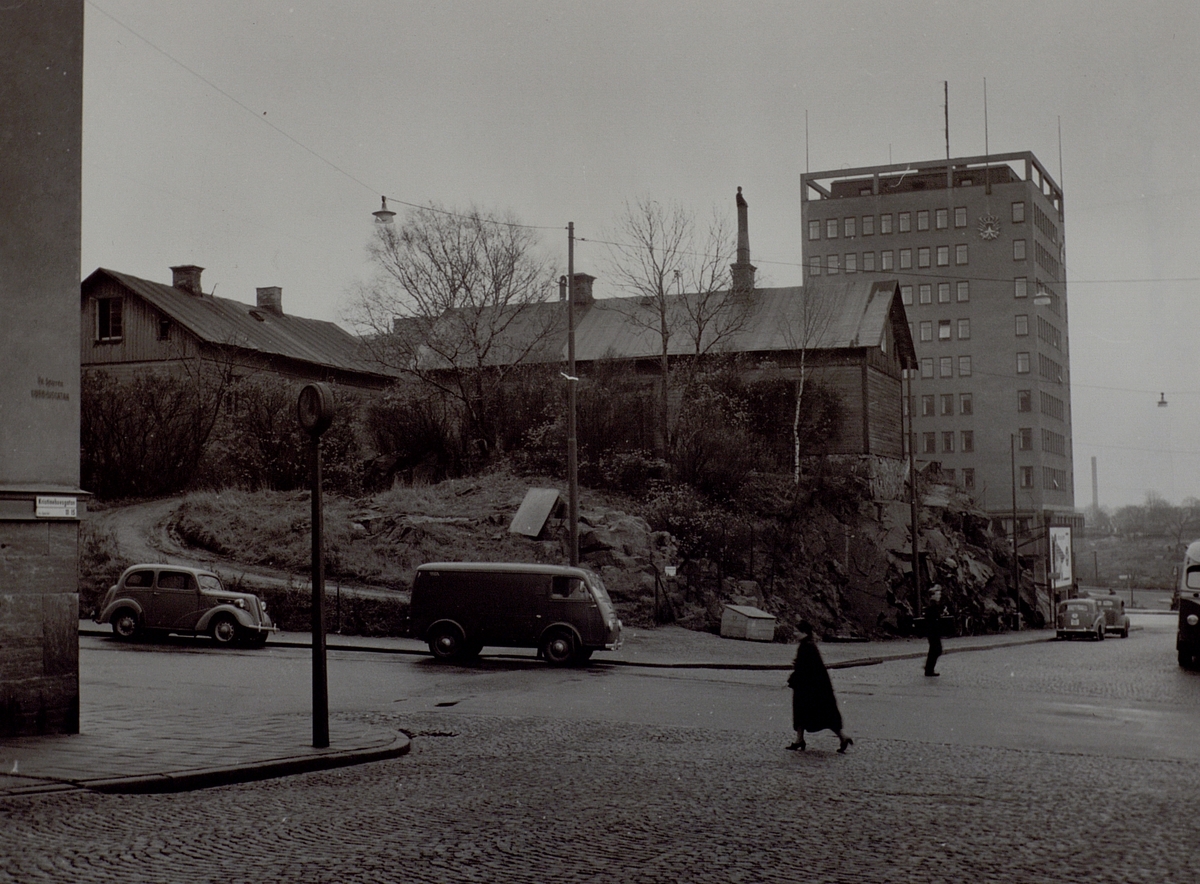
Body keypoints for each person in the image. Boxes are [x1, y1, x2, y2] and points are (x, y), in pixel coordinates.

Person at [786, 620, 852, 753]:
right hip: (810, 687)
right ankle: (800, 739)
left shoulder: (807, 647)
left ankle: (842, 737)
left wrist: (794, 678)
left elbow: (807, 668)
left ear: (804, 632)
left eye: (796, 631)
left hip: (809, 688)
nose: (794, 633)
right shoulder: (807, 645)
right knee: (810, 714)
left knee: (810, 713)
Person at [925, 584, 944, 677]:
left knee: (934, 650)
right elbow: (932, 619)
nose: (939, 596)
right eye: (938, 594)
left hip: (933, 631)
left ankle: (929, 668)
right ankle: (929, 669)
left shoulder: (934, 605)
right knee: (936, 649)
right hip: (933, 631)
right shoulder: (932, 606)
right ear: (933, 595)